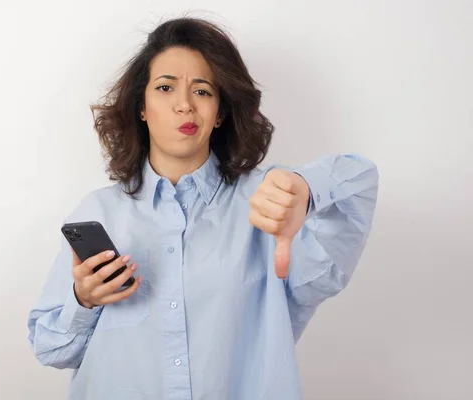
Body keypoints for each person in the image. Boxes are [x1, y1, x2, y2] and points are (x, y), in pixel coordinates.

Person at [27, 17, 379, 400]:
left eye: (203, 91)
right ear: (141, 107)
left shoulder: (269, 201)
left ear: (221, 111)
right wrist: (84, 301)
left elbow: (360, 179)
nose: (184, 105)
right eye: (165, 88)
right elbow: (50, 349)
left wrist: (308, 191)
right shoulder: (99, 211)